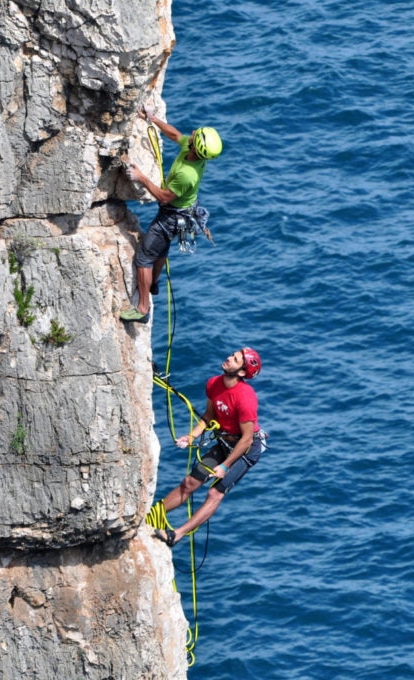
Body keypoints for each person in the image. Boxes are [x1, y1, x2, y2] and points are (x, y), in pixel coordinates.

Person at [152, 348, 265, 546]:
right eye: (232, 354)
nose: (229, 358)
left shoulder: (245, 397)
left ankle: (177, 534)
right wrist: (191, 436)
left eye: (236, 359)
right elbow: (208, 415)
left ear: (241, 372)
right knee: (189, 483)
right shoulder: (214, 383)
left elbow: (247, 439)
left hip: (246, 448)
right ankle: (153, 515)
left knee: (214, 493)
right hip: (224, 443)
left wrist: (225, 466)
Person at [120, 107, 222, 323]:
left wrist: (141, 177)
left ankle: (142, 309)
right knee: (161, 248)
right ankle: (154, 282)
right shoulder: (191, 149)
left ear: (196, 147)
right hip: (182, 213)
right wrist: (151, 118)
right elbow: (174, 134)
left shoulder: (187, 174)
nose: (192, 132)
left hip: (171, 217)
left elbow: (163, 197)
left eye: (195, 135)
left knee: (144, 257)